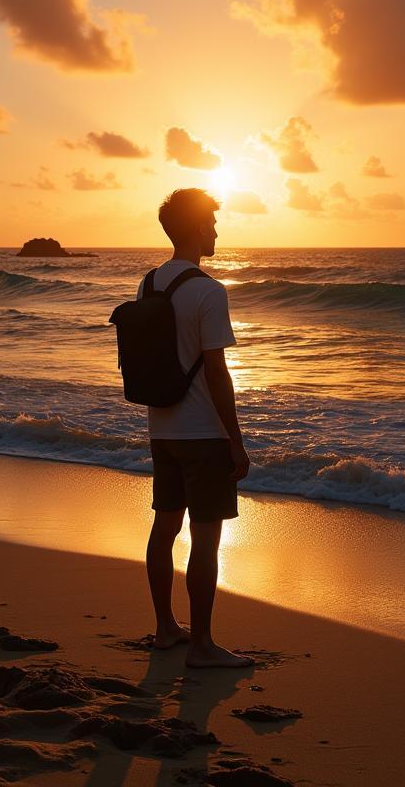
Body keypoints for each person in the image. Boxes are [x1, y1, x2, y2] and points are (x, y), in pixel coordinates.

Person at [139, 188, 252, 668]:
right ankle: (203, 645)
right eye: (208, 222)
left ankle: (166, 628)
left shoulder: (149, 284)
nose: (215, 230)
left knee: (164, 528)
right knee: (205, 539)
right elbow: (216, 371)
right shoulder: (209, 290)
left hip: (161, 428)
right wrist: (236, 439)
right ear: (191, 228)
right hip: (203, 433)